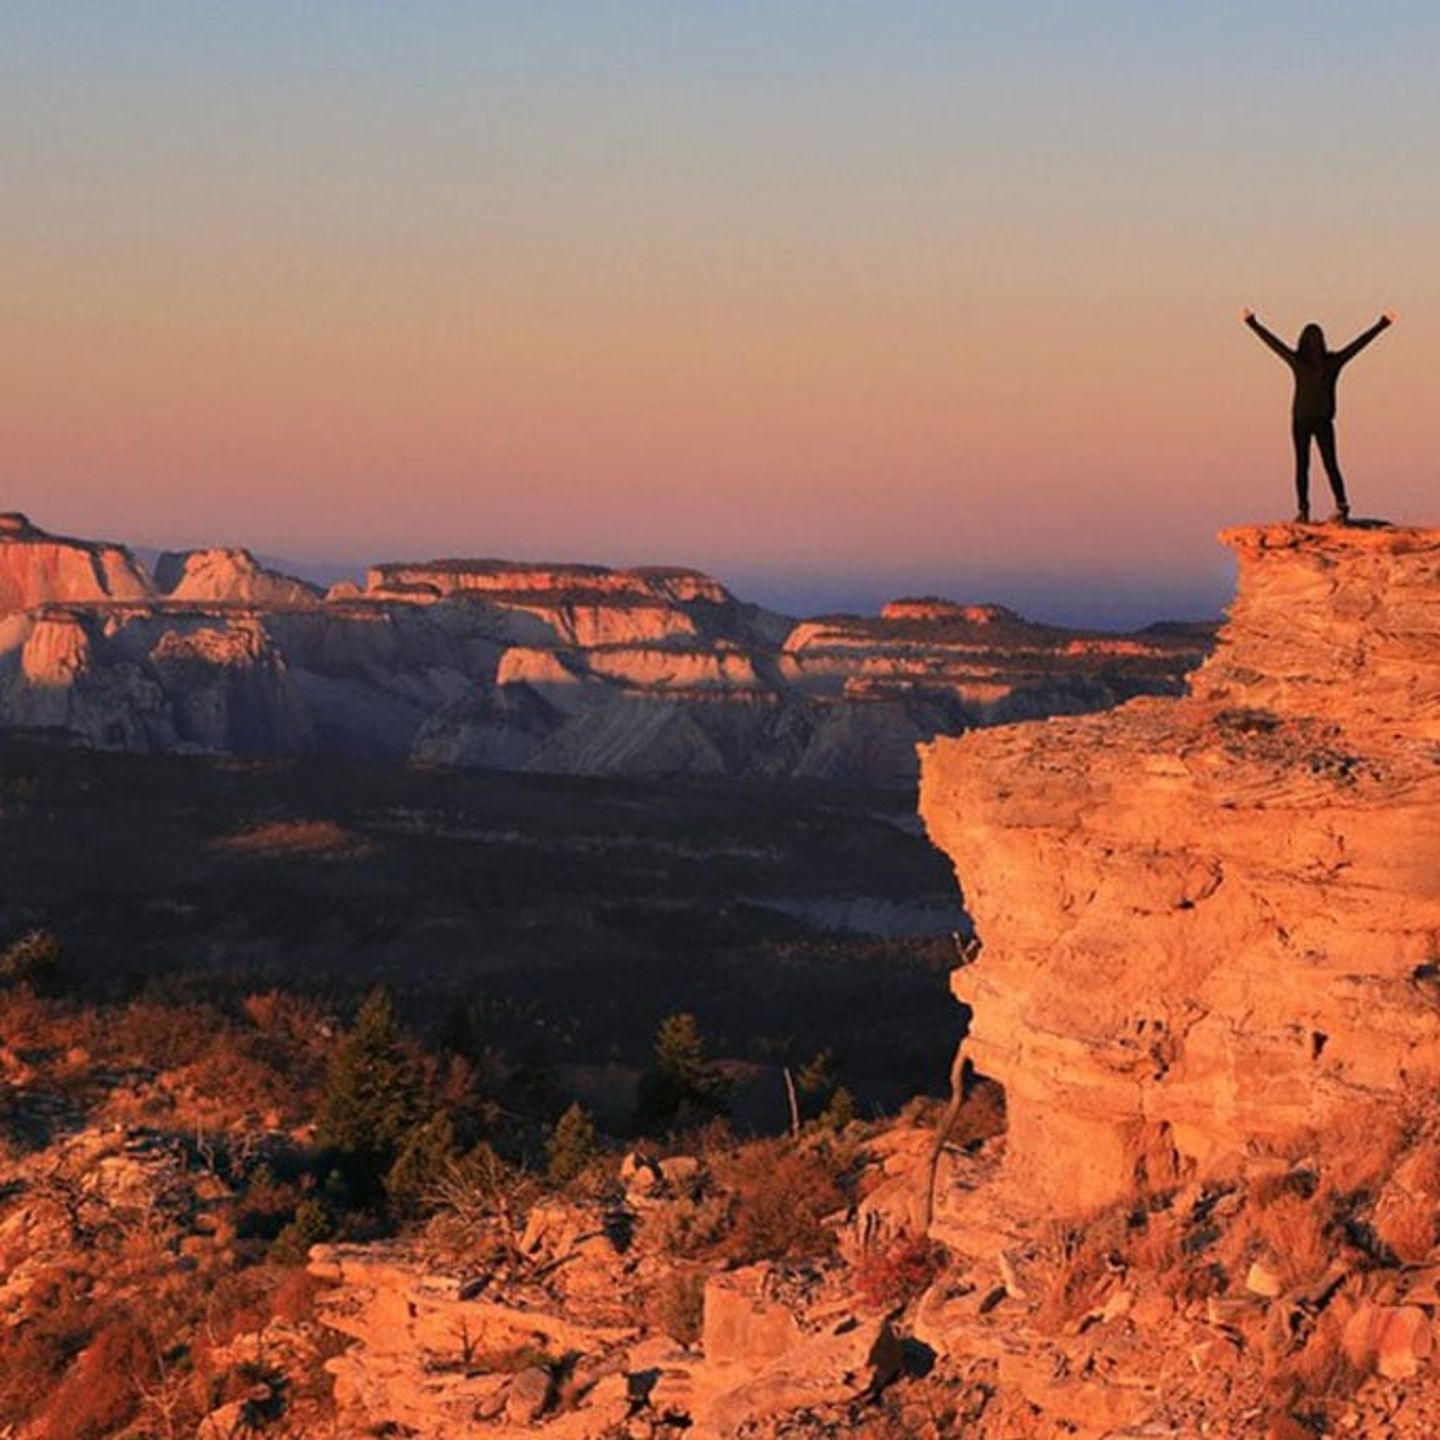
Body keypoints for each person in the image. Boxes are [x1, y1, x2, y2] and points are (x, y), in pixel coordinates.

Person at [1242, 308, 1396, 523]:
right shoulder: (1333, 362)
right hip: (1324, 421)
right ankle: (1342, 505)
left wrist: (1252, 323)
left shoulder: (1299, 362)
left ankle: (1304, 511)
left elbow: (1274, 344)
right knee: (1330, 463)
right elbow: (1358, 345)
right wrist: (1382, 324)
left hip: (1301, 420)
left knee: (1302, 465)